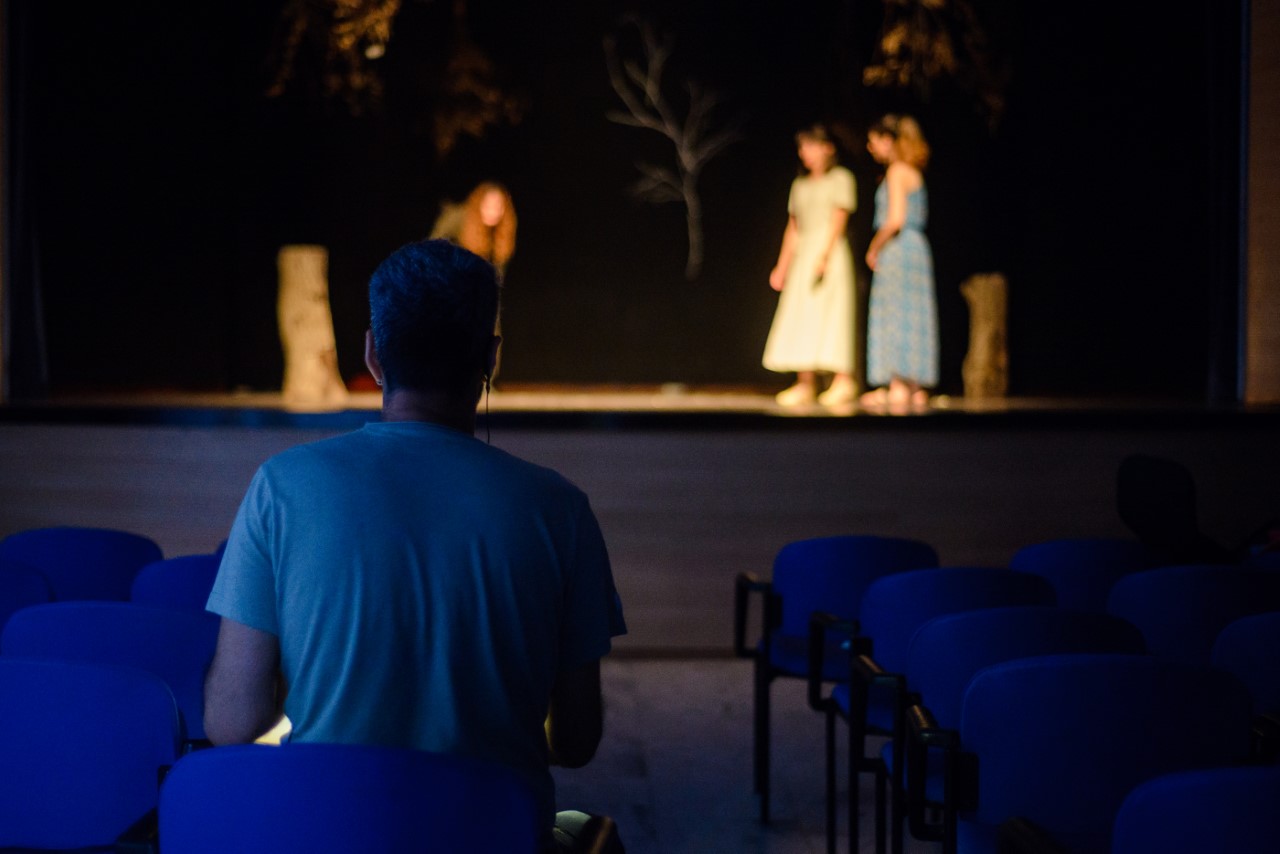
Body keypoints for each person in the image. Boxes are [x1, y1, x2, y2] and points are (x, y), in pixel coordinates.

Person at [203, 238, 627, 851]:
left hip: (330, 836)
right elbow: (577, 740)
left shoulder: (281, 487)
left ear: (373, 354)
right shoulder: (559, 509)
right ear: (491, 358)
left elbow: (230, 723)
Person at [762, 124, 858, 407]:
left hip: (829, 249)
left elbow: (839, 220)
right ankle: (805, 383)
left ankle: (843, 381)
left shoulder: (841, 178)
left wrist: (825, 255)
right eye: (802, 147)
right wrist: (782, 266)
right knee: (801, 314)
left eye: (811, 146)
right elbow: (793, 228)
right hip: (803, 254)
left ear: (828, 148)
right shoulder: (800, 185)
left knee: (833, 314)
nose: (805, 152)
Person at [860, 114, 938, 411]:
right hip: (917, 247)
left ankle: (897, 385)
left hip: (898, 247)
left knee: (895, 311)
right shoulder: (914, 172)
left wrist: (873, 247)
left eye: (874, 141)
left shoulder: (896, 172)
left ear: (889, 140)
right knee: (914, 312)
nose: (870, 147)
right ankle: (914, 386)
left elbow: (895, 219)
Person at [430, 181, 518, 382]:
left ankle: (485, 380)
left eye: (498, 207)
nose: (493, 212)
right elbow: (434, 245)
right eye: (489, 205)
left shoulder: (503, 228)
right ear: (479, 204)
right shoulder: (459, 218)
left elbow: (499, 269)